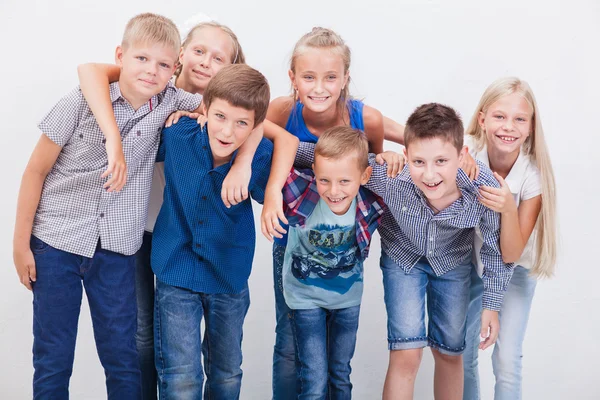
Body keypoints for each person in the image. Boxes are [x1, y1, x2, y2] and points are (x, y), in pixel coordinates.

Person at [12, 13, 203, 399]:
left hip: (116, 251)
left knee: (122, 356)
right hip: (55, 242)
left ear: (174, 70)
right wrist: (19, 245)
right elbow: (35, 171)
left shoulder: (170, 101)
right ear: (121, 55)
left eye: (164, 65)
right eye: (142, 59)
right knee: (53, 355)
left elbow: (231, 106)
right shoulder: (81, 99)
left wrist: (195, 113)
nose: (151, 71)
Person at [294, 103, 514, 400]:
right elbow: (334, 160)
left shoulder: (482, 189)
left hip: (452, 263)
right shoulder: (392, 176)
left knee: (450, 350)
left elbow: (493, 247)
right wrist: (268, 138)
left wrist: (492, 305)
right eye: (419, 162)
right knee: (406, 351)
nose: (430, 173)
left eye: (441, 161)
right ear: (406, 156)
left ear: (462, 156)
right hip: (403, 260)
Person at [462, 77, 557, 400]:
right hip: (470, 262)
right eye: (500, 116)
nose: (509, 127)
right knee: (463, 352)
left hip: (514, 267)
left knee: (506, 359)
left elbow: (511, 252)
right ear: (483, 118)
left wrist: (507, 208)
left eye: (520, 119)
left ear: (530, 127)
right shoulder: (466, 152)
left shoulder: (532, 175)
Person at [282, 126, 385, 398]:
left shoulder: (367, 202)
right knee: (313, 379)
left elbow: (403, 177)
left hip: (347, 301)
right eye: (324, 179)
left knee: (340, 374)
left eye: (344, 181)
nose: (334, 190)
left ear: (364, 176)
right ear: (314, 170)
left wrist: (387, 157)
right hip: (305, 300)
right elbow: (273, 147)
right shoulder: (300, 193)